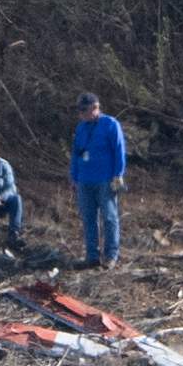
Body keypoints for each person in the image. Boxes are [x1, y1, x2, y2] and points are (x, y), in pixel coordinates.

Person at [70, 91, 127, 268]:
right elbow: (76, 153)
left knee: (109, 217)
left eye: (84, 110)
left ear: (95, 108)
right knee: (88, 218)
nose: (81, 114)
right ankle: (92, 256)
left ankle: (111, 255)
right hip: (85, 180)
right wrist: (74, 176)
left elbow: (119, 151)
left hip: (105, 179)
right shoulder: (80, 128)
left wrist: (118, 175)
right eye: (79, 111)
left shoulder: (110, 124)